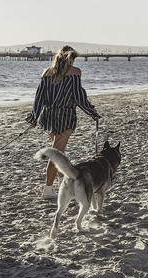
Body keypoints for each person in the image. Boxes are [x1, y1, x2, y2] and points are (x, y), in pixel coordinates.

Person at [26, 45, 100, 199]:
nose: (73, 63)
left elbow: (39, 99)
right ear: (70, 59)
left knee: (59, 152)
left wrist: (34, 118)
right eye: (73, 60)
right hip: (65, 116)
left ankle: (62, 186)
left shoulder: (46, 73)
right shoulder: (75, 73)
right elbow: (79, 97)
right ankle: (47, 190)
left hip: (48, 116)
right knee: (56, 154)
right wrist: (91, 111)